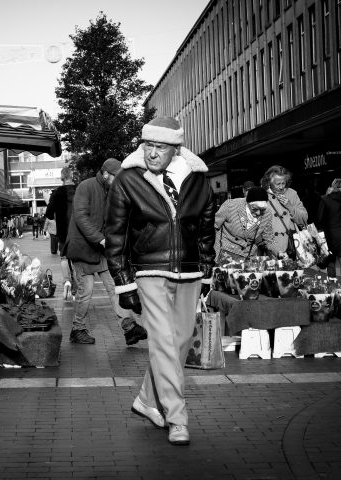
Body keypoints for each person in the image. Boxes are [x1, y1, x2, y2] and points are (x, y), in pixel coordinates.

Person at [105, 117, 215, 446]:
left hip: (190, 270)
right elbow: (114, 235)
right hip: (148, 271)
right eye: (148, 146)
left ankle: (147, 400)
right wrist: (123, 282)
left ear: (175, 149)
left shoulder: (198, 179)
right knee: (164, 343)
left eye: (160, 147)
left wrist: (207, 271)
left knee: (179, 344)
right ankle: (176, 417)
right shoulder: (128, 179)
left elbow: (206, 229)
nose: (153, 153)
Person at [65, 158, 147, 346]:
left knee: (114, 288)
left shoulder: (113, 191)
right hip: (82, 248)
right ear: (104, 173)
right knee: (86, 292)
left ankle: (129, 328)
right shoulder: (85, 187)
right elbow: (81, 217)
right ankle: (77, 329)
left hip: (101, 250)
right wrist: (101, 239)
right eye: (115, 177)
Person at [214, 186, 280, 262]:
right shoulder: (230, 206)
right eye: (254, 209)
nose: (258, 213)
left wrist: (279, 253)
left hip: (249, 256)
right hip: (227, 253)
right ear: (247, 203)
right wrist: (215, 254)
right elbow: (215, 227)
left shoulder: (267, 214)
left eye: (262, 210)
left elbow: (269, 239)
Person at [261, 165, 308, 256]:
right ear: (269, 183)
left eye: (283, 183)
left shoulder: (292, 193)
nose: (282, 187)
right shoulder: (262, 194)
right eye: (278, 184)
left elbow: (304, 219)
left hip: (290, 245)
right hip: (270, 247)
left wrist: (290, 206)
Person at [46, 166, 77, 299]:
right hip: (78, 231)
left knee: (64, 257)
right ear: (72, 176)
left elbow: (49, 213)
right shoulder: (80, 189)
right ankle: (78, 286)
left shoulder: (57, 192)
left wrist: (54, 216)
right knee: (76, 258)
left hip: (63, 231)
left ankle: (67, 281)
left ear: (61, 178)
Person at [317, 179, 341, 277]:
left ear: (332, 187)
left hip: (330, 235)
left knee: (330, 259)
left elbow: (319, 218)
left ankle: (333, 286)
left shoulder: (325, 199)